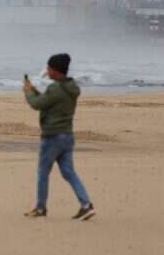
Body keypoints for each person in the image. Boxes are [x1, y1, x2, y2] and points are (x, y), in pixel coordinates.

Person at [23, 53, 95, 220]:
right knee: (69, 172)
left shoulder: (55, 89)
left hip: (52, 137)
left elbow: (37, 104)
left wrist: (28, 92)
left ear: (56, 70)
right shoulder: (71, 87)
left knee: (43, 173)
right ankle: (86, 204)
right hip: (67, 136)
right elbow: (49, 100)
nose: (47, 71)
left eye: (49, 68)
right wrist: (34, 90)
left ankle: (41, 208)